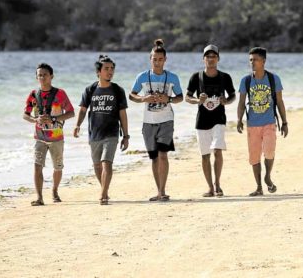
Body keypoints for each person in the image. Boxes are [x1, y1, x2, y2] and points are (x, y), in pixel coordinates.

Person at [129, 39, 183, 202]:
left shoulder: (172, 77)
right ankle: (158, 190)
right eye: (154, 59)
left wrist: (169, 99)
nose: (157, 62)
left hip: (166, 120)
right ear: (150, 59)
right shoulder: (142, 77)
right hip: (148, 122)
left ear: (165, 60)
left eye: (160, 59)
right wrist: (144, 99)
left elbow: (180, 97)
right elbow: (132, 95)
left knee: (163, 155)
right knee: (153, 157)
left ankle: (162, 191)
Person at [74, 55, 130, 205]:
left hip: (111, 133)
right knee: (97, 165)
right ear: (99, 71)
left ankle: (103, 194)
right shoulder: (90, 90)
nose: (110, 72)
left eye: (112, 69)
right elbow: (83, 110)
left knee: (107, 163)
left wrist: (126, 135)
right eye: (106, 69)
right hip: (95, 134)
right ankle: (104, 189)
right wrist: (77, 125)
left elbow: (123, 114)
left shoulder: (118, 90)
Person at [237, 47, 288, 196]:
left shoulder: (273, 79)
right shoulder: (245, 81)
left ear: (263, 61)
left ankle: (267, 176)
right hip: (252, 124)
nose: (252, 62)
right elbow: (241, 102)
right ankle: (259, 187)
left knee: (269, 151)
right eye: (251, 60)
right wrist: (239, 120)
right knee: (254, 156)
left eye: (256, 60)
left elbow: (279, 101)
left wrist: (284, 122)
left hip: (269, 123)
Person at [186, 45, 236, 197]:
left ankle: (218, 185)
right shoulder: (197, 77)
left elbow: (233, 95)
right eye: (208, 56)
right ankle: (210, 188)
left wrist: (226, 101)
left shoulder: (225, 77)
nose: (211, 59)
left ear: (218, 59)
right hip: (202, 121)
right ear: (204, 59)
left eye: (214, 56)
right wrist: (197, 101)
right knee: (205, 155)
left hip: (219, 119)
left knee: (218, 150)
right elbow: (187, 97)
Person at [23, 63, 75, 206]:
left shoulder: (60, 94)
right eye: (39, 75)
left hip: (57, 137)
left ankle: (54, 190)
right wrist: (35, 119)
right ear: (36, 77)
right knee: (37, 165)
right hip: (39, 137)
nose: (42, 77)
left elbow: (71, 113)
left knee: (58, 167)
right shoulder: (33, 94)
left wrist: (54, 119)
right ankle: (39, 197)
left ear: (51, 76)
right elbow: (25, 115)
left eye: (45, 74)